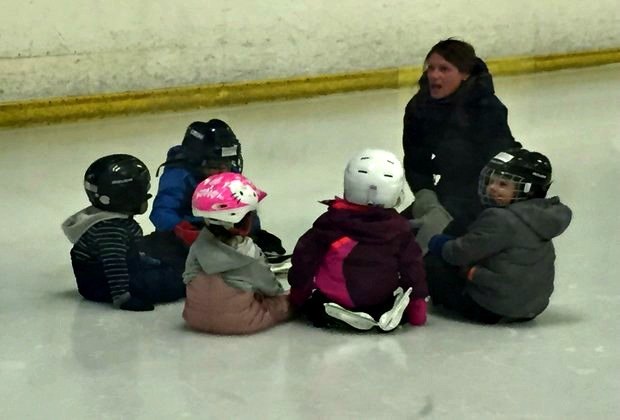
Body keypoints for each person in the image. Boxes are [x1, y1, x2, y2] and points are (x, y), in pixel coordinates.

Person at [425, 149, 572, 323]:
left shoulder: (501, 219)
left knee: (435, 262)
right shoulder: (540, 215)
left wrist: (440, 243)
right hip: (533, 306)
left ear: (527, 189)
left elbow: (458, 253)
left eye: (503, 184)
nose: (492, 188)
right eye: (491, 181)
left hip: (491, 309)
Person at [287, 149, 428, 331]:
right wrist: (417, 312)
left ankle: (336, 311)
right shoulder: (399, 228)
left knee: (315, 305)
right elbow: (413, 269)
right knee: (389, 293)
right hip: (378, 300)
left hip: (333, 299)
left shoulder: (330, 222)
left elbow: (304, 260)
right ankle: (381, 314)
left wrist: (297, 297)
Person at [402, 38, 520, 251]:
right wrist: (427, 200)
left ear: (465, 75)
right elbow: (415, 162)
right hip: (446, 191)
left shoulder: (486, 108)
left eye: (444, 69)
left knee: (433, 245)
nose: (434, 75)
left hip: (483, 196)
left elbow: (498, 168)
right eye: (431, 68)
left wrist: (455, 213)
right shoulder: (418, 107)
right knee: (394, 236)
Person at [138, 119, 286, 276]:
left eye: (227, 162)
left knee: (268, 242)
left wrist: (248, 230)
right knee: (172, 257)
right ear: (196, 160)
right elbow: (162, 212)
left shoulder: (230, 171)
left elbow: (243, 204)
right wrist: (181, 228)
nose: (224, 169)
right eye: (216, 163)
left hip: (219, 229)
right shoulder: (178, 176)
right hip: (188, 234)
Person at [61, 154, 185, 311]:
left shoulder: (113, 220)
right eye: (142, 192)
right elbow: (114, 264)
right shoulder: (111, 230)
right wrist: (123, 298)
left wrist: (146, 259)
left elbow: (127, 250)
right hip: (101, 285)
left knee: (166, 251)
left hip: (110, 274)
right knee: (174, 281)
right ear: (126, 196)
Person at [182, 172, 291, 334]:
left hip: (194, 319)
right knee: (285, 302)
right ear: (243, 219)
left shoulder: (197, 246)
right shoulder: (248, 253)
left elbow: (187, 277)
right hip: (243, 323)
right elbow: (270, 289)